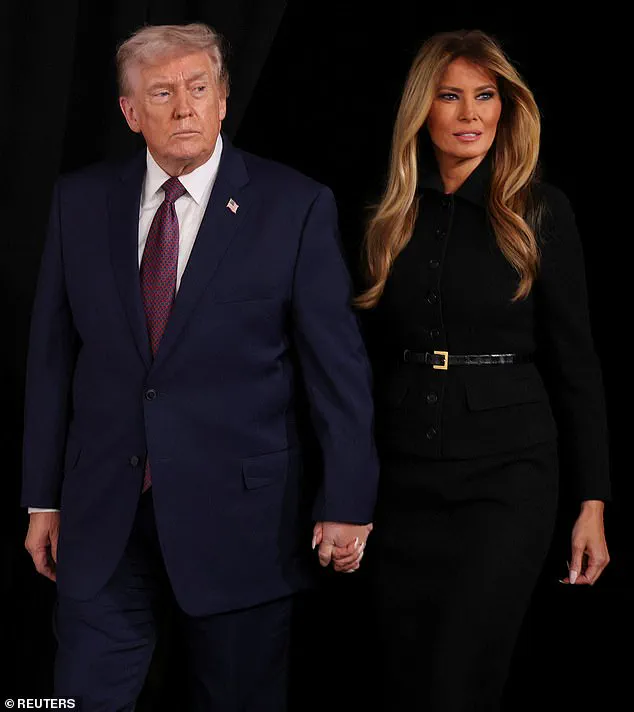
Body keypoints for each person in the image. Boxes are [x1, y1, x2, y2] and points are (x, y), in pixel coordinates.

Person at [21, 22, 374, 712]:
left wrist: (348, 500)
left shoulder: (294, 205)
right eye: (161, 93)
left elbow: (338, 370)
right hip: (104, 517)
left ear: (223, 100)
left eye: (198, 88)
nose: (183, 108)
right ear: (130, 112)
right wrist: (42, 498)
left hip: (243, 523)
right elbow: (52, 357)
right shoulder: (80, 202)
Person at [355, 29, 611, 711]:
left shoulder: (540, 211)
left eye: (485, 95)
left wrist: (592, 502)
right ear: (422, 109)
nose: (470, 114)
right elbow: (359, 358)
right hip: (402, 479)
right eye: (449, 96)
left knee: (459, 678)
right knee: (402, 677)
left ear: (505, 106)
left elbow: (577, 363)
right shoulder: (388, 214)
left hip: (507, 481)